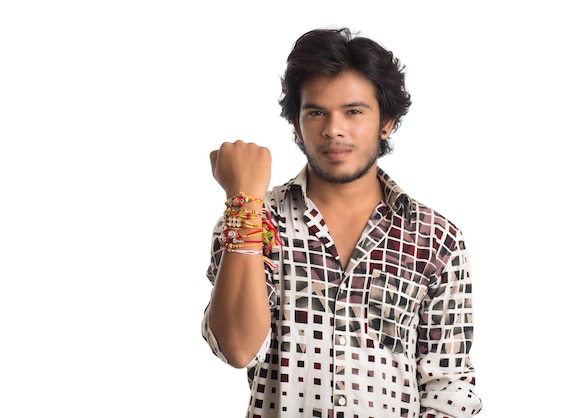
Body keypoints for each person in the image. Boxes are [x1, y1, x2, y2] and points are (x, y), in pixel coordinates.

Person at [202, 27, 483, 418]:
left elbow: (447, 388)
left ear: (386, 122)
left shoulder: (437, 238)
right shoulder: (251, 219)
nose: (333, 129)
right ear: (296, 125)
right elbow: (236, 348)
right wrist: (244, 202)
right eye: (316, 112)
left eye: (353, 111)